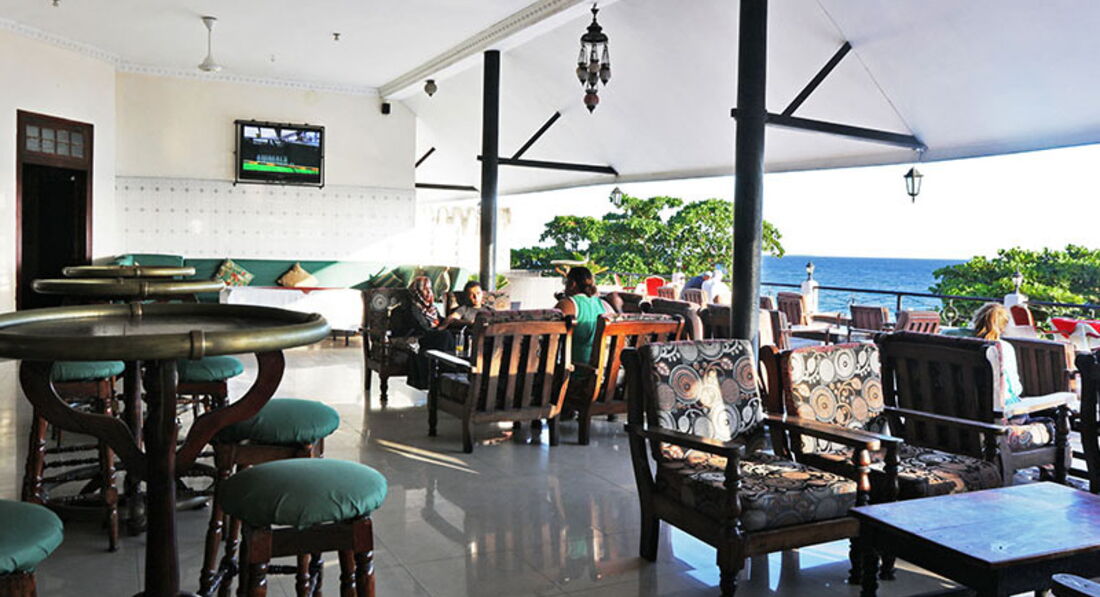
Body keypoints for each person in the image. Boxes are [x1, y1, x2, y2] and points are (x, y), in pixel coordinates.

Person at [554, 267, 613, 367]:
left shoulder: (567, 304)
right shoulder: (603, 304)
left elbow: (550, 336)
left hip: (574, 368)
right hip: (600, 367)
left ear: (572, 284)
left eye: (566, 282)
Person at [407, 276, 456, 389]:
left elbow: (440, 320)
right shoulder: (413, 307)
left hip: (433, 335)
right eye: (425, 289)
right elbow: (422, 327)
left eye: (430, 288)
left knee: (449, 334)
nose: (429, 292)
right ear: (417, 291)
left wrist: (450, 321)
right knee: (445, 335)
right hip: (421, 337)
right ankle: (441, 374)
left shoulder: (431, 308)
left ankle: (449, 375)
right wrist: (440, 328)